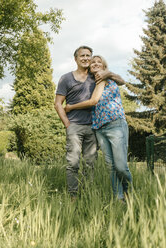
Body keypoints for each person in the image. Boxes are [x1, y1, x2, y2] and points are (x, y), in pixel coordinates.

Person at [54, 46, 124, 198]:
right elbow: (58, 103)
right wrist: (67, 124)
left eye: (88, 55)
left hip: (93, 127)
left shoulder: (96, 77)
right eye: (82, 55)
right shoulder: (66, 78)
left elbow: (120, 81)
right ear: (76, 59)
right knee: (73, 163)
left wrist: (109, 73)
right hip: (74, 126)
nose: (85, 58)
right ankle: (73, 196)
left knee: (90, 164)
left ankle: (87, 194)